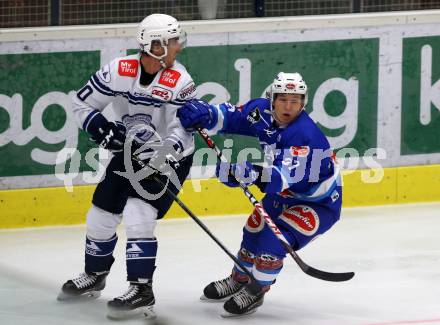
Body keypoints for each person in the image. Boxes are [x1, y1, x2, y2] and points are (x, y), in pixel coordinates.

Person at [57, 13, 196, 320]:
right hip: (132, 150)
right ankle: (95, 275)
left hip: (171, 158)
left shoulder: (180, 81)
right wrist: (98, 126)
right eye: (173, 41)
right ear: (156, 47)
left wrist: (161, 155)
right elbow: (81, 103)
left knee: (138, 212)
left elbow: (182, 133)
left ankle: (142, 291)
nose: (178, 47)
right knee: (100, 212)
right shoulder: (119, 70)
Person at [177, 72, 342, 317]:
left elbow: (282, 178)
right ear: (272, 99)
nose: (289, 106)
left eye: (295, 101)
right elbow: (232, 118)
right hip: (284, 195)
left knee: (272, 243)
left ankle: (256, 291)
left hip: (317, 202)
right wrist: (207, 114)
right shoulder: (261, 112)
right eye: (283, 99)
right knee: (253, 230)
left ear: (303, 103)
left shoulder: (306, 135)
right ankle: (240, 278)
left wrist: (248, 174)